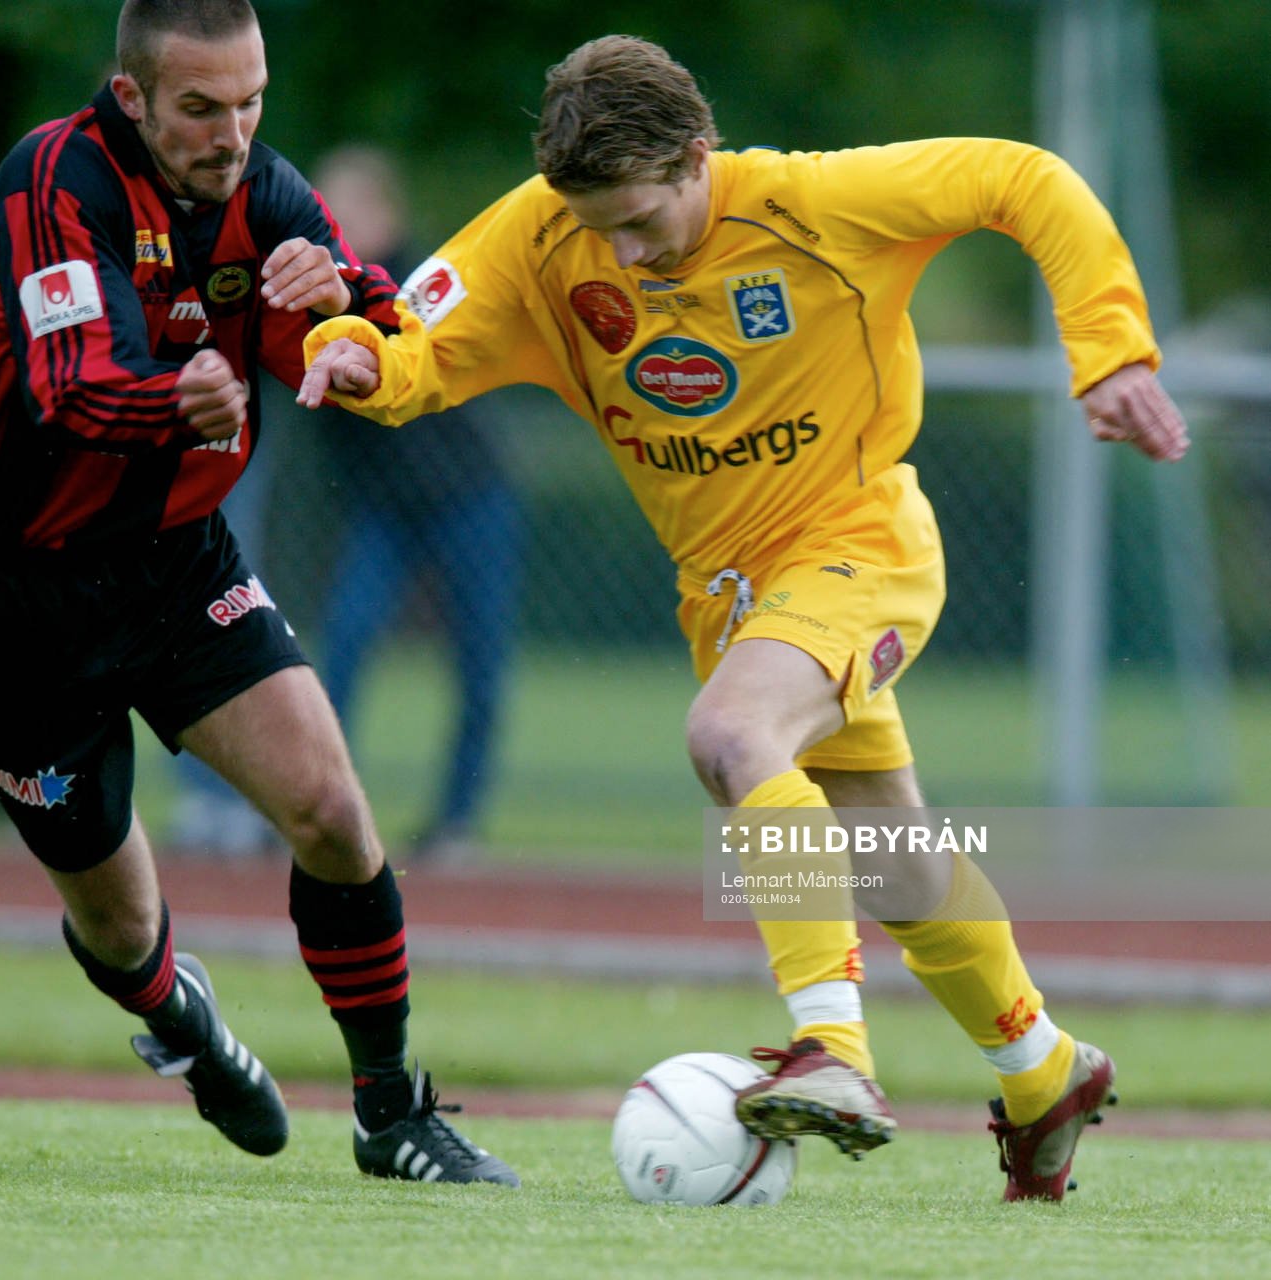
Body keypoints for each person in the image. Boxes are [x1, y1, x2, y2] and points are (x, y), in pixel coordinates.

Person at [297, 35, 1189, 1201]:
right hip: (726, 597)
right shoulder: (537, 230)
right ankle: (1043, 1070)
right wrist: (350, 354)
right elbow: (409, 340)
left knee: (728, 740)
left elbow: (1024, 179)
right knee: (891, 860)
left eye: (638, 219)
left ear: (695, 157)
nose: (616, 249)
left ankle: (836, 1051)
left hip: (856, 547)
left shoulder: (814, 205)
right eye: (595, 225)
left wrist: (1105, 350)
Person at [0, 0, 517, 1188]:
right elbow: (69, 389)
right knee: (124, 926)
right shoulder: (54, 181)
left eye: (249, 102)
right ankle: (181, 1022)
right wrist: (175, 402)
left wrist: (339, 308)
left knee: (333, 811)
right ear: (131, 97)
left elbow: (377, 339)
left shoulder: (272, 194)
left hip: (176, 563)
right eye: (199, 107)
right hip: (5, 599)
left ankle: (391, 1113)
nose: (230, 132)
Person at [170, 145, 522, 863]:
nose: (327, 225)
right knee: (347, 647)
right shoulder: (297, 296)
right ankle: (320, 810)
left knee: (480, 663)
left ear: (387, 215)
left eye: (349, 208)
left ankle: (456, 824)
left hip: (470, 498)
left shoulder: (416, 283)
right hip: (384, 514)